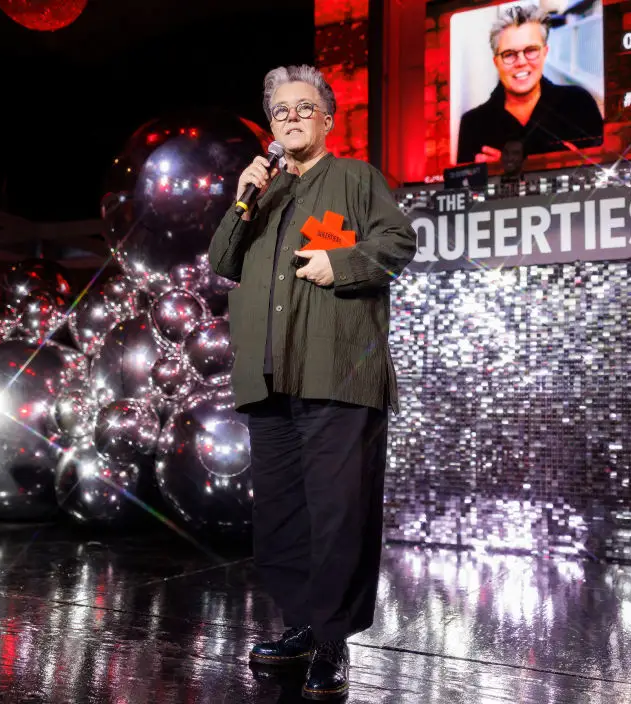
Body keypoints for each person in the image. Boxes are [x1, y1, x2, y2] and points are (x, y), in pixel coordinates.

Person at [208, 65, 417, 700]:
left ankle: (331, 642)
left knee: (338, 513)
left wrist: (343, 262)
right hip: (269, 380)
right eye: (280, 112)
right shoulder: (262, 191)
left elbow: (400, 240)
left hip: (337, 374)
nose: (291, 118)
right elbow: (221, 261)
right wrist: (243, 195)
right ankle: (299, 625)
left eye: (304, 108)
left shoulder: (355, 179)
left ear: (328, 119)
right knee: (281, 515)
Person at [456, 4, 603, 165]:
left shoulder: (579, 104)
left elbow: (605, 169)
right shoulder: (473, 125)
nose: (521, 62)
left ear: (544, 53)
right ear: (496, 62)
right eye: (509, 54)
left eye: (531, 50)